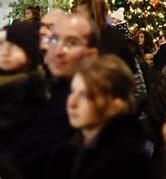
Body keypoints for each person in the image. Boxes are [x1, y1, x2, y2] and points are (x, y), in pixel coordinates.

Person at [6, 14, 100, 179]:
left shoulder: (95, 103)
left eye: (71, 43)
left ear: (91, 55)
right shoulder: (36, 89)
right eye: (54, 40)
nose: (58, 51)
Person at [47, 55, 150, 179]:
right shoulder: (67, 148)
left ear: (115, 105)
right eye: (72, 91)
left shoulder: (123, 161)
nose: (72, 103)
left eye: (86, 95)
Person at [0, 22, 48, 151]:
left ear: (31, 53)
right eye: (1, 45)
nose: (5, 52)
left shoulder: (28, 89)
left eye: (14, 46)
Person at [77, 0, 135, 71]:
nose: (76, 17)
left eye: (80, 13)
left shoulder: (112, 40)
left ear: (93, 15)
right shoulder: (117, 37)